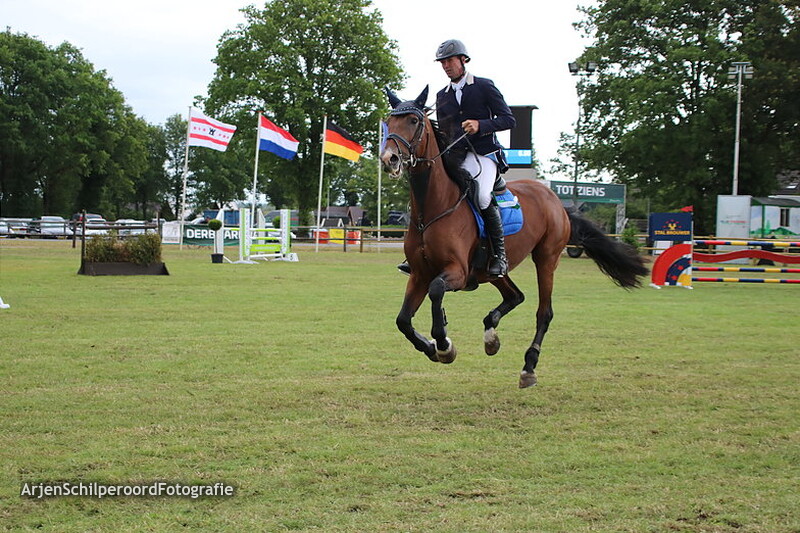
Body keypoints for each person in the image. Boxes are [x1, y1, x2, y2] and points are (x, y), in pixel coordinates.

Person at [398, 39, 515, 278]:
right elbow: (444, 132)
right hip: (456, 155)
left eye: (450, 61)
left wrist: (480, 125)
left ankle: (499, 256)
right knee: (431, 191)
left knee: (482, 195)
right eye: (442, 62)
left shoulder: (484, 86)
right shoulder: (442, 95)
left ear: (463, 60)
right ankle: (420, 250)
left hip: (484, 153)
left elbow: (508, 119)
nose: (446, 66)